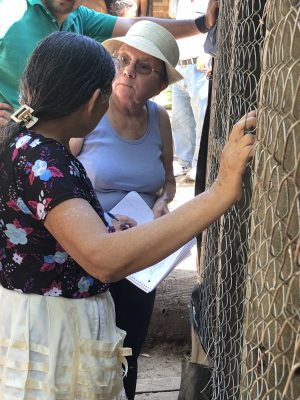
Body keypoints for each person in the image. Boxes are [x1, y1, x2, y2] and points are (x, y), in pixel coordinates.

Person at [0, 30, 256, 398]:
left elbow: (49, 228)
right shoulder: (46, 162)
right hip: (55, 332)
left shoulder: (26, 143)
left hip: (44, 323)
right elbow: (103, 260)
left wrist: (104, 224)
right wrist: (219, 192)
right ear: (94, 101)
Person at [69, 21, 182, 399]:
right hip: (87, 251)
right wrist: (102, 218)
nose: (129, 71)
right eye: (123, 59)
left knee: (127, 350)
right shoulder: (87, 111)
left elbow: (167, 179)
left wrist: (163, 203)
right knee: (83, 351)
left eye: (144, 67)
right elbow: (59, 178)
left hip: (139, 256)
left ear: (161, 85)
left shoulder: (160, 119)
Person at [0, 0, 218, 125]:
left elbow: (136, 25)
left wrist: (202, 24)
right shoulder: (11, 10)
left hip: (46, 143)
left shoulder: (80, 17)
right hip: (7, 139)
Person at [171, 0, 211, 181]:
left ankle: (197, 163)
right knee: (181, 119)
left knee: (200, 117)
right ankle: (184, 162)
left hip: (198, 67)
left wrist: (207, 54)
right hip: (179, 66)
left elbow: (214, 27)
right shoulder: (179, 2)